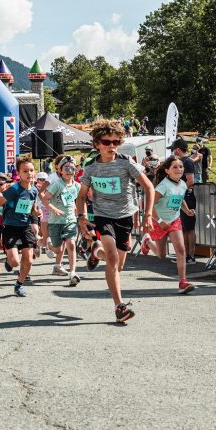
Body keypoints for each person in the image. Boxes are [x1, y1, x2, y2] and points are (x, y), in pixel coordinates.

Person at [76, 119, 155, 323]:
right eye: (107, 141)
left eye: (116, 142)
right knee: (112, 258)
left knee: (118, 266)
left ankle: (96, 251)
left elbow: (149, 187)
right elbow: (81, 196)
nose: (112, 145)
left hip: (125, 216)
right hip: (103, 216)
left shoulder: (126, 162)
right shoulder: (91, 169)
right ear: (97, 144)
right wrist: (82, 217)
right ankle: (119, 306)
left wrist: (147, 214)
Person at [141, 156, 196, 294]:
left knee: (181, 249)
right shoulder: (163, 186)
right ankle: (147, 242)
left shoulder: (183, 184)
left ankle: (182, 281)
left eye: (181, 167)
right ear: (167, 170)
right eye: (175, 167)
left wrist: (187, 210)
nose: (179, 169)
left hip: (174, 220)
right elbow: (150, 204)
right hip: (158, 221)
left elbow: (180, 199)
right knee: (161, 255)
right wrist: (159, 221)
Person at [0, 157, 40, 297]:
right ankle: (8, 259)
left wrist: (36, 212)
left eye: (31, 170)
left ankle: (19, 285)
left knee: (29, 260)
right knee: (15, 262)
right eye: (25, 171)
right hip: (11, 227)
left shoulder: (34, 190)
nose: (29, 173)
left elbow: (32, 208)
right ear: (18, 173)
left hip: (25, 227)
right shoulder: (14, 189)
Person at [41, 156, 81, 286]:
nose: (70, 170)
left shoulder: (77, 186)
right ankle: (49, 244)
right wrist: (53, 209)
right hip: (55, 222)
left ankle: (73, 273)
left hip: (70, 220)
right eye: (67, 168)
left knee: (71, 244)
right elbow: (45, 199)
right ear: (60, 171)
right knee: (57, 250)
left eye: (72, 168)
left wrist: (80, 213)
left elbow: (79, 200)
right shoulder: (57, 184)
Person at [168, 138, 196, 264]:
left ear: (178, 150)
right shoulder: (182, 162)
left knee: (189, 228)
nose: (173, 153)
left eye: (173, 150)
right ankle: (184, 255)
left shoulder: (188, 162)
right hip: (180, 197)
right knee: (183, 227)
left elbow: (191, 181)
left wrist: (178, 187)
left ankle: (191, 256)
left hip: (187, 197)